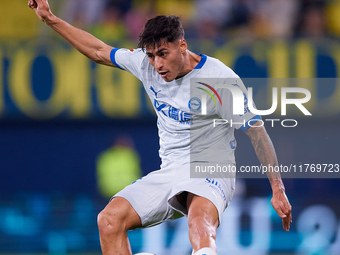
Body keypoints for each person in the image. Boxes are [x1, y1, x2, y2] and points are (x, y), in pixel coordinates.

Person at [28, 1, 292, 254]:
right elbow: (98, 50)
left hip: (211, 168)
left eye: (163, 54)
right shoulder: (147, 64)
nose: (158, 64)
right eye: (153, 56)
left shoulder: (219, 79)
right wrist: (51, 19)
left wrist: (277, 189)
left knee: (199, 224)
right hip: (170, 170)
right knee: (108, 220)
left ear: (182, 46)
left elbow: (256, 131)